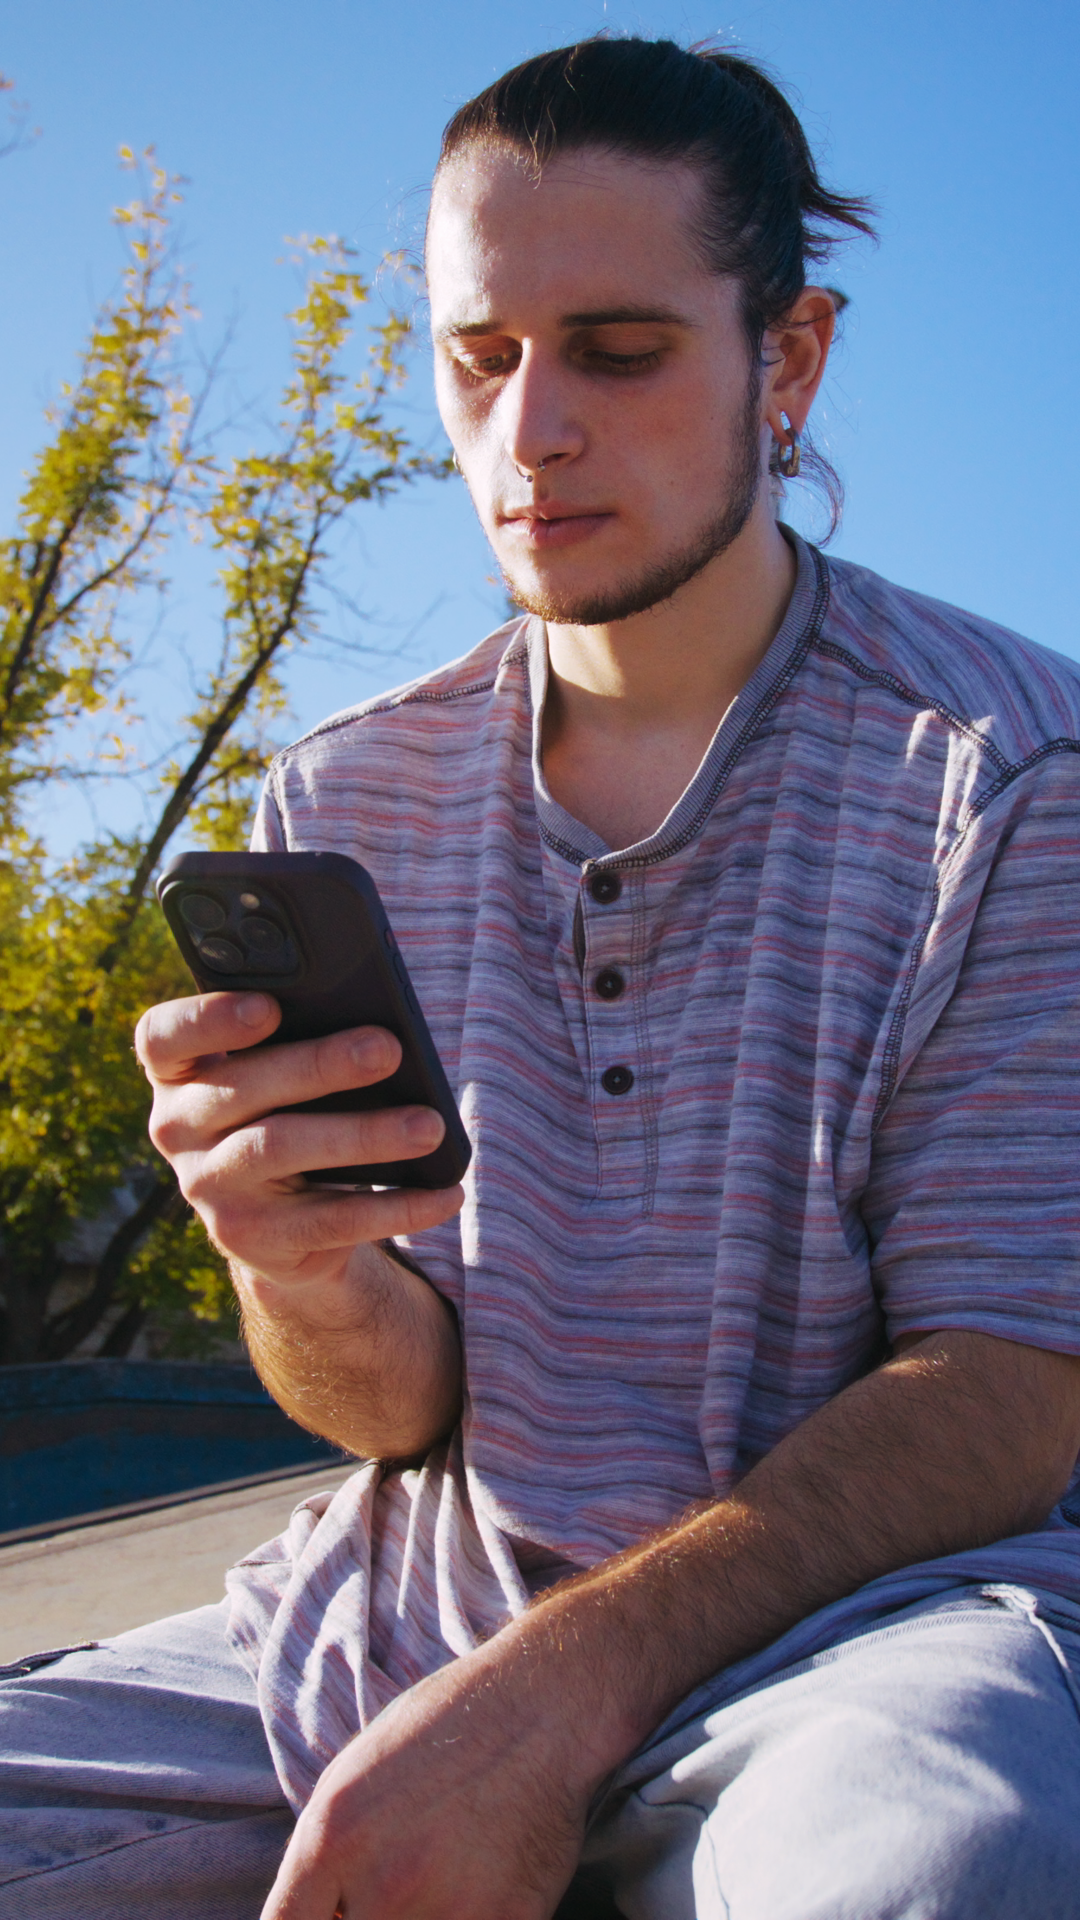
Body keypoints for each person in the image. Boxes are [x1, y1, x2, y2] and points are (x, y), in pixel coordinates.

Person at [3, 35, 1080, 1920]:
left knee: (931, 1869)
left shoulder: (1011, 772)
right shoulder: (342, 798)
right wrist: (295, 1267)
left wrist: (551, 1702)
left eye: (619, 351)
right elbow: (399, 1408)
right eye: (479, 356)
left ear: (791, 358)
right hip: (400, 1619)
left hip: (883, 1642)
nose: (531, 431)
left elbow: (1010, 1386)